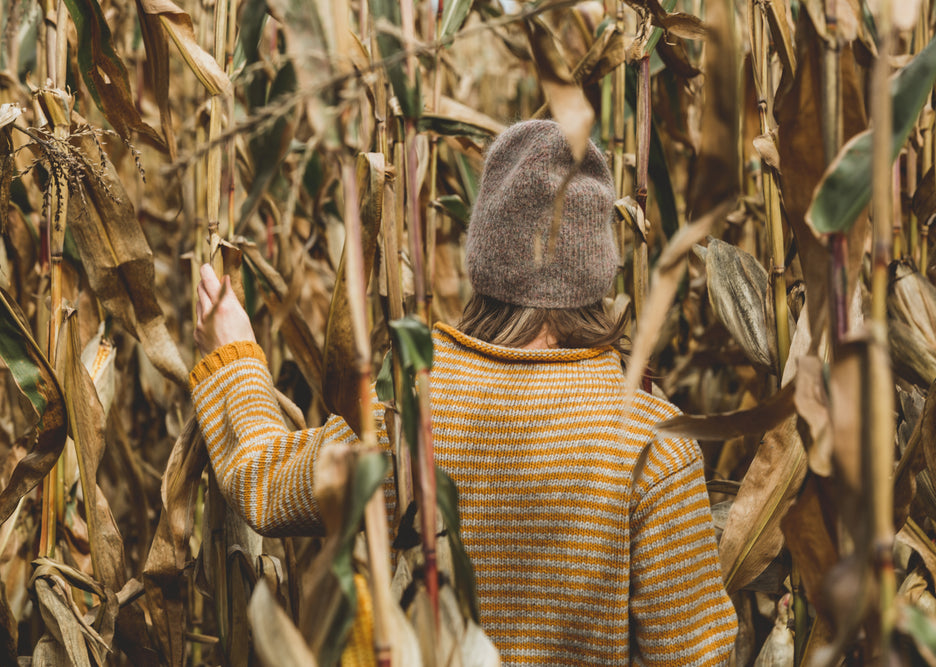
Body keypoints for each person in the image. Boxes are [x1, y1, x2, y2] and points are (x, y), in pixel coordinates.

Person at [190, 120, 738, 664]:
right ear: (599, 273)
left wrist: (234, 357)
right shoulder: (654, 447)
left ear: (484, 258)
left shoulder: (407, 412)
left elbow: (264, 483)